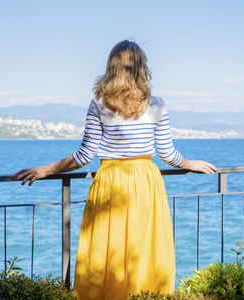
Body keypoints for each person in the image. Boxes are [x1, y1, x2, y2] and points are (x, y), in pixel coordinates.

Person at [15, 40, 217, 299]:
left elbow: (85, 155)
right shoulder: (157, 104)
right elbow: (167, 153)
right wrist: (191, 164)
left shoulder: (99, 103)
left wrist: (47, 169)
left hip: (111, 182)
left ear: (111, 66)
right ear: (142, 68)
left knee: (107, 248)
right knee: (143, 246)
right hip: (146, 182)